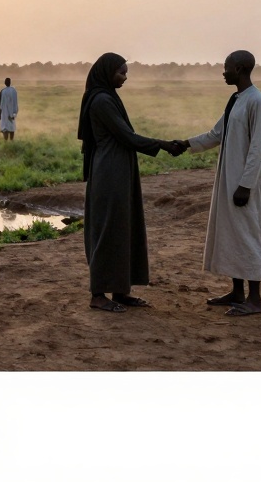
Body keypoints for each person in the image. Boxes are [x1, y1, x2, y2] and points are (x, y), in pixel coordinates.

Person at [78, 53, 185, 312]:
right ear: (107, 72)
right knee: (107, 231)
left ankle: (120, 290)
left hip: (119, 169)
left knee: (123, 229)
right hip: (110, 172)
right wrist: (163, 144)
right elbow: (127, 137)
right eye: (121, 73)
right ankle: (98, 294)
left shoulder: (107, 96)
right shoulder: (102, 100)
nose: (125, 77)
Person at [173, 50, 261, 316]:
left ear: (239, 68)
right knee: (233, 234)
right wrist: (185, 144)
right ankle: (237, 292)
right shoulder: (237, 100)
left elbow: (257, 148)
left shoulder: (256, 101)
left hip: (244, 182)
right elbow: (217, 133)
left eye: (226, 67)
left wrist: (246, 185)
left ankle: (255, 300)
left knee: (248, 236)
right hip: (231, 179)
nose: (223, 71)